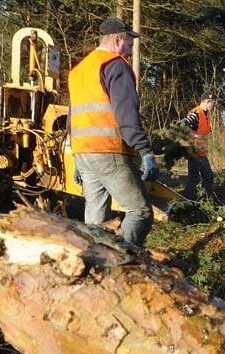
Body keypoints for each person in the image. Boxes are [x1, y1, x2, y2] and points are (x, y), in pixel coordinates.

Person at [68, 16, 159, 247]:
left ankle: (95, 262)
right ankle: (120, 263)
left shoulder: (78, 70)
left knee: (96, 219)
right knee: (140, 212)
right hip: (109, 151)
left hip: (83, 154)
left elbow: (71, 119)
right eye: (130, 43)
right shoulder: (115, 65)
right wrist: (145, 151)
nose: (130, 48)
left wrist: (76, 159)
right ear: (118, 40)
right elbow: (126, 115)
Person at [180, 91, 216, 201]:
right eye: (213, 103)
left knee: (206, 176)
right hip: (194, 151)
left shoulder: (205, 115)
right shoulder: (196, 113)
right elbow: (186, 122)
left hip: (201, 151)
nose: (213, 106)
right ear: (208, 101)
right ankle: (190, 200)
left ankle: (205, 199)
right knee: (196, 177)